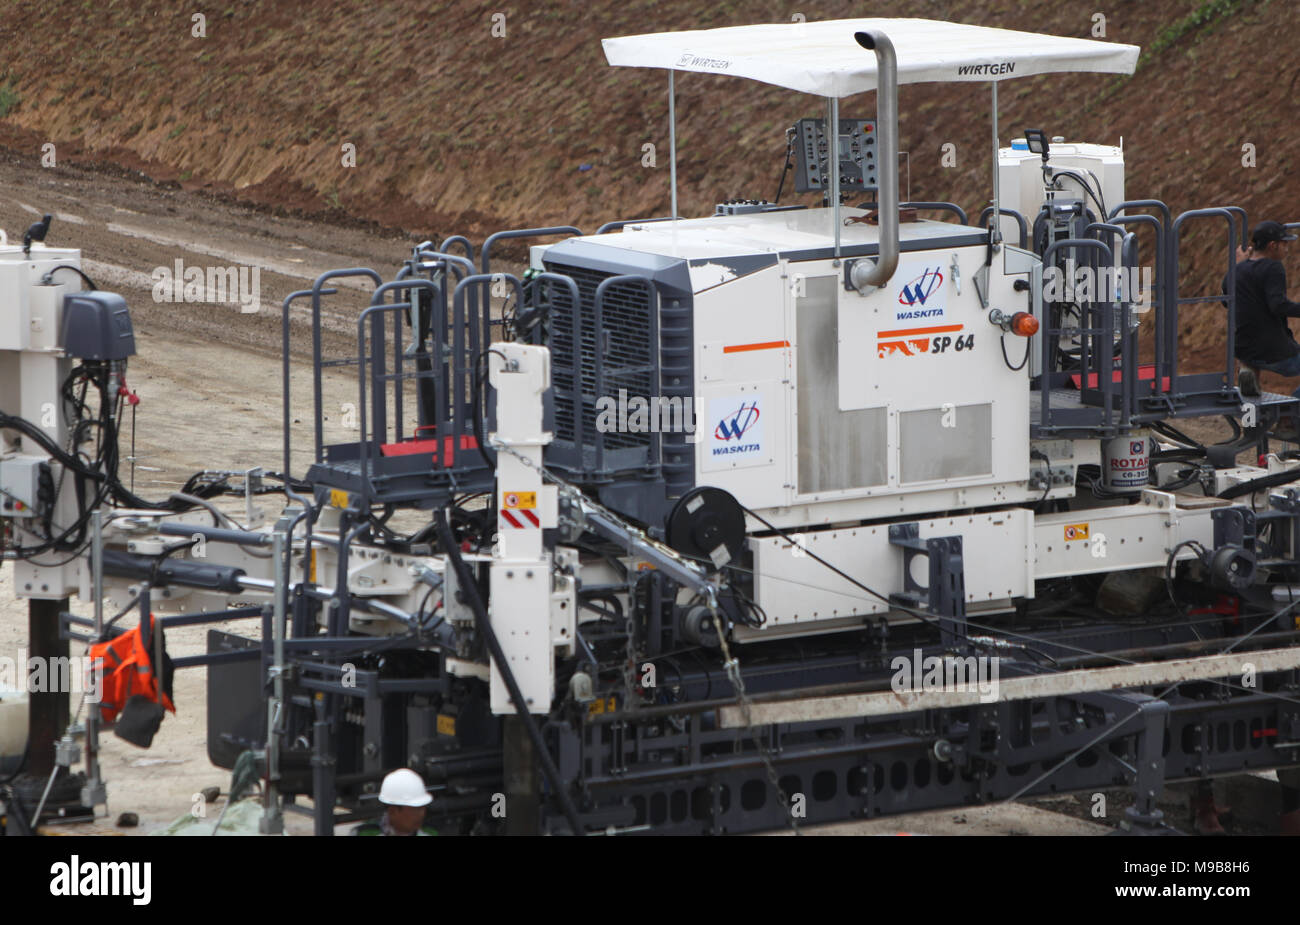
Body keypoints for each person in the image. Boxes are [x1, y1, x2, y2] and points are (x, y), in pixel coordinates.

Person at [1228, 220, 1300, 397]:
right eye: (1284, 244)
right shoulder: (1273, 267)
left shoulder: (1240, 269)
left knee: (1251, 375)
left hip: (1244, 350)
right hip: (1275, 352)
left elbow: (1225, 297)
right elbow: (1278, 305)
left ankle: (1248, 375)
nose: (1287, 249)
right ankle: (1291, 414)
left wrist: (1237, 266)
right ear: (1272, 245)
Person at [352, 768, 438, 836]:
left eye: (423, 807)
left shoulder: (430, 833)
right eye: (416, 809)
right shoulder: (364, 833)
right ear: (392, 811)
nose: (422, 814)